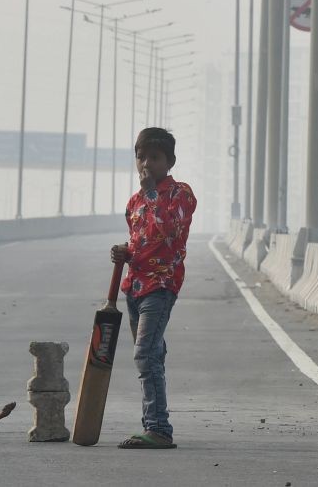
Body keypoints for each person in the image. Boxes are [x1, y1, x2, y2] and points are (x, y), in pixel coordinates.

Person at [110, 127, 196, 450]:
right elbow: (142, 242)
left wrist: (151, 194)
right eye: (141, 156)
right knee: (151, 356)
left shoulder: (181, 194)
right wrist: (125, 252)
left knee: (145, 354)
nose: (146, 163)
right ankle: (152, 423)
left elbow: (171, 231)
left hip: (161, 285)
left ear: (169, 162)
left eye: (155, 157)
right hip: (135, 286)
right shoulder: (134, 202)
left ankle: (159, 428)